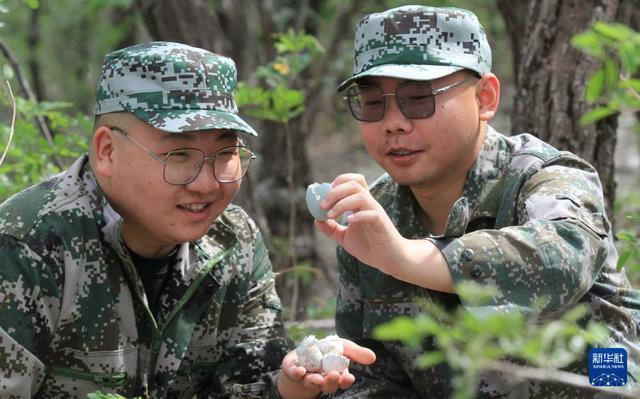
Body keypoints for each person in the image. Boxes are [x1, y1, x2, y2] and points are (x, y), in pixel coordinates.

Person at [0, 41, 374, 398]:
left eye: (226, 152)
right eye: (179, 154)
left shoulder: (233, 239)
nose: (207, 184)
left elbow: (245, 385)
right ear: (107, 151)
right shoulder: (26, 247)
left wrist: (290, 387)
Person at [314, 5, 640, 398]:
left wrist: (408, 257)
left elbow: (564, 258)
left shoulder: (543, 176)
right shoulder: (374, 212)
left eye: (418, 98)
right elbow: (373, 377)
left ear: (484, 98)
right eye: (372, 103)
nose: (393, 123)